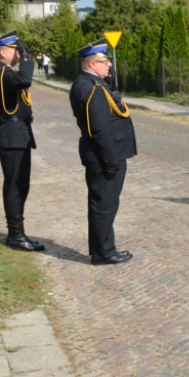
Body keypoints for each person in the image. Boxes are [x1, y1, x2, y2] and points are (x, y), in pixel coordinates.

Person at [69, 38, 137, 265]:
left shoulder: (89, 84)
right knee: (104, 206)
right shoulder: (91, 88)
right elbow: (100, 129)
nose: (109, 65)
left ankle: (103, 249)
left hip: (103, 155)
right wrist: (110, 160)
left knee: (104, 204)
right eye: (104, 61)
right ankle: (104, 252)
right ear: (91, 64)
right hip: (104, 157)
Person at [0, 31, 44, 252]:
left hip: (17, 133)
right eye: (15, 48)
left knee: (21, 184)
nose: (19, 52)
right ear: (3, 52)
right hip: (11, 134)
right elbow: (25, 79)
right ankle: (15, 235)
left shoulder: (5, 72)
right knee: (14, 186)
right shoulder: (1, 73)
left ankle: (18, 233)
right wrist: (27, 57)